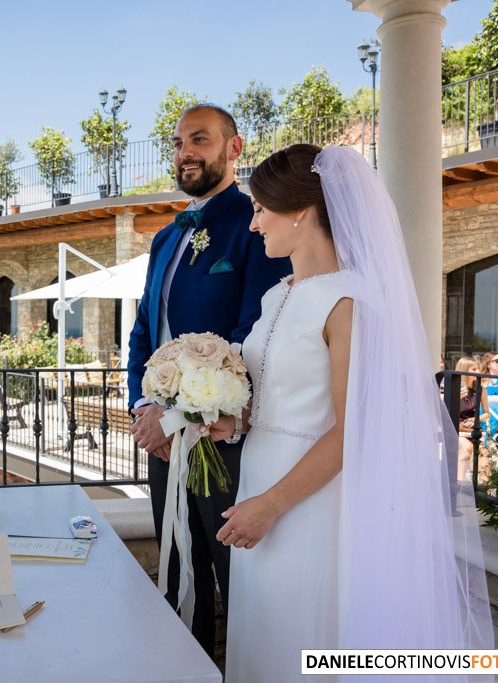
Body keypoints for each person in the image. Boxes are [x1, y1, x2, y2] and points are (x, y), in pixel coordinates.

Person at [208, 145, 492, 680]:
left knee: (302, 635)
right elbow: (277, 396)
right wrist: (234, 421)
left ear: (300, 210)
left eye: (261, 209)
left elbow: (353, 426)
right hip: (259, 479)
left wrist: (271, 505)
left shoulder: (349, 302)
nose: (253, 224)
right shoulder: (276, 296)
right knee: (263, 630)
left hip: (309, 500)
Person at [126, 104, 290, 653]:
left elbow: (253, 333)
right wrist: (144, 408)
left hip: (222, 438)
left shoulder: (254, 224)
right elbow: (143, 330)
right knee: (177, 567)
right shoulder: (163, 239)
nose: (185, 153)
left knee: (234, 572)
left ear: (233, 148)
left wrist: (182, 414)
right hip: (160, 437)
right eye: (178, 143)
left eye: (199, 139)